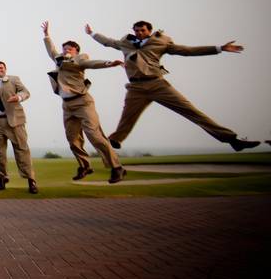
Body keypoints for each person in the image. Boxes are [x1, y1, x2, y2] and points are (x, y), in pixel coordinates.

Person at [87, 21, 259, 152]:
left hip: (157, 84)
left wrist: (219, 48)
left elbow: (187, 50)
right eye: (137, 30)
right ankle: (114, 141)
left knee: (190, 111)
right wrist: (92, 33)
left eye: (143, 30)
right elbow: (108, 42)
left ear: (149, 31)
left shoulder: (161, 42)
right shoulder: (126, 42)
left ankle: (232, 140)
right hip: (136, 88)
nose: (139, 33)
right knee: (127, 118)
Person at [42, 21, 126, 183]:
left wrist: (109, 63)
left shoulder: (80, 60)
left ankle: (117, 168)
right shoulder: (59, 59)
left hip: (83, 103)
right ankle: (85, 166)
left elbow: (92, 64)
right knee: (73, 140)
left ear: (76, 52)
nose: (66, 51)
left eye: (70, 49)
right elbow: (51, 50)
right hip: (67, 106)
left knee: (95, 136)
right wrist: (46, 35)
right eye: (64, 48)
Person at [0, 60, 38, 194]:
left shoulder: (13, 79)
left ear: (5, 69)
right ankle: (3, 177)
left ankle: (31, 180)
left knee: (21, 150)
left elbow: (25, 92)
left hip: (14, 121)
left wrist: (19, 97)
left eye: (1, 67)